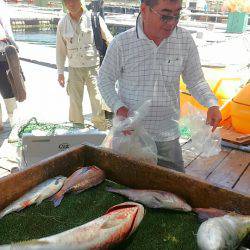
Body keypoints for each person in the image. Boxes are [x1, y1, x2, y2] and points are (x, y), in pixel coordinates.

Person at [98, 0, 222, 173]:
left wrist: (211, 103)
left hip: (168, 134)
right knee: (128, 185)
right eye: (165, 16)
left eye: (177, 14)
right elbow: (104, 80)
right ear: (144, 10)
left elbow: (195, 80)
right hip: (131, 134)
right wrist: (118, 107)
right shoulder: (121, 43)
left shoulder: (184, 40)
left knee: (174, 187)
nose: (172, 22)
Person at [56, 0, 112, 130]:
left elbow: (110, 41)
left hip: (94, 68)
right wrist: (60, 72)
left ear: (80, 1)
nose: (70, 3)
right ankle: (77, 129)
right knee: (74, 102)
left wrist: (114, 66)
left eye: (73, 0)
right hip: (74, 68)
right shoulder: (62, 23)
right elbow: (60, 51)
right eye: (66, 1)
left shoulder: (94, 19)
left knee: (97, 100)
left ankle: (101, 129)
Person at [0, 1, 21, 129]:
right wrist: (15, 47)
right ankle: (13, 123)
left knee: (7, 89)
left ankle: (3, 123)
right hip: (2, 55)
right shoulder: (1, 5)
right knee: (8, 90)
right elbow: (7, 30)